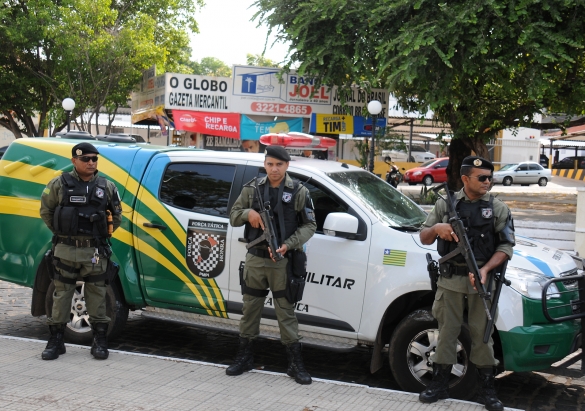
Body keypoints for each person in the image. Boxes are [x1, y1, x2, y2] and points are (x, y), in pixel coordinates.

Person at [418, 156, 515, 411]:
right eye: (481, 177)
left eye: (489, 177)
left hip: (481, 283)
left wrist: (485, 269)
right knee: (447, 332)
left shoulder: (497, 208)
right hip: (450, 280)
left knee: (483, 338)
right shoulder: (445, 204)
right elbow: (424, 237)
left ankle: (487, 389)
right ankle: (439, 383)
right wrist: (438, 227)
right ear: (465, 179)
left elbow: (506, 247)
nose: (487, 182)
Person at [228, 145, 317, 384]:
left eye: (279, 164)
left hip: (282, 262)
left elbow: (309, 226)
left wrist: (288, 244)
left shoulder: (298, 192)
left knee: (285, 313)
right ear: (265, 164)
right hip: (256, 259)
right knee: (250, 310)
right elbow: (233, 215)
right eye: (270, 164)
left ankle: (295, 364)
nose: (274, 169)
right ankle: (245, 357)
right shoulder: (252, 189)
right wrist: (250, 215)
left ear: (287, 165)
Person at [40, 142, 122, 361]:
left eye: (94, 159)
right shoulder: (58, 184)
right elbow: (46, 211)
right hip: (66, 249)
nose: (91, 163)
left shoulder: (107, 186)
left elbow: (117, 216)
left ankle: (99, 340)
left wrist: (101, 233)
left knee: (97, 294)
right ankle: (56, 341)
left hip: (94, 251)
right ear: (74, 160)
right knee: (62, 294)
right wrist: (64, 233)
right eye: (86, 159)